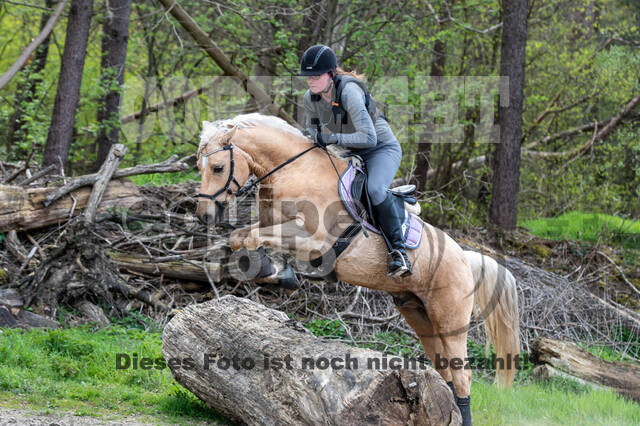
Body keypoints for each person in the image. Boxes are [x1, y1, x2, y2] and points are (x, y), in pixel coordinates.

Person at [300, 44, 412, 277]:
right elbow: (312, 137)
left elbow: (369, 138)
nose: (310, 81)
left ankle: (399, 253)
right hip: (349, 153)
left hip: (381, 149)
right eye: (307, 76)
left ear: (330, 74)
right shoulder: (310, 99)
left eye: (316, 76)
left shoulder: (349, 91)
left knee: (374, 189)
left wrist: (330, 138)